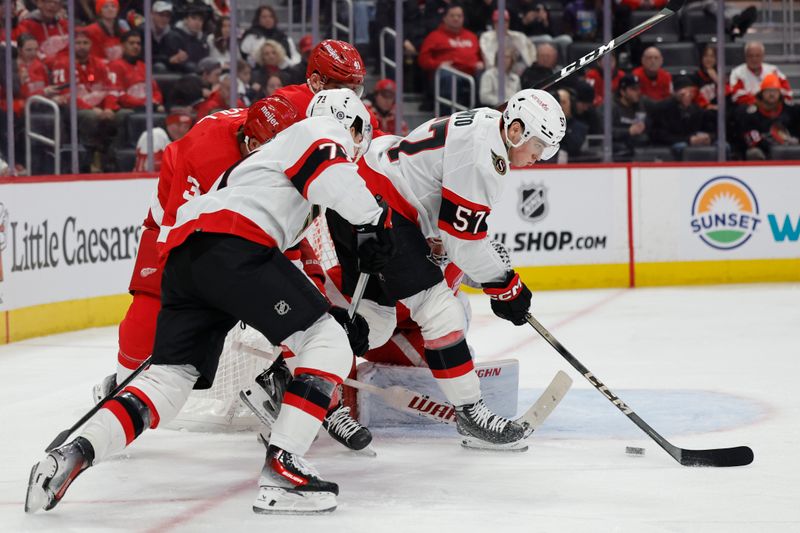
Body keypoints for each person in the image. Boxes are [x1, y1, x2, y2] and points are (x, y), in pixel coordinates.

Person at [25, 91, 391, 515]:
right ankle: (283, 472)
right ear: (353, 123)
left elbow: (277, 249)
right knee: (329, 342)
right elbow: (337, 180)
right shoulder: (322, 129)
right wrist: (373, 220)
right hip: (235, 248)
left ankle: (72, 454)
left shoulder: (262, 161)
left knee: (169, 379)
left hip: (187, 259)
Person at [331, 89, 567, 450]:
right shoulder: (486, 157)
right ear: (516, 130)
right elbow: (465, 245)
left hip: (360, 191)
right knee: (441, 311)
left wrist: (491, 277)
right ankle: (472, 415)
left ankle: (292, 372)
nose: (541, 157)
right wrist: (506, 285)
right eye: (539, 147)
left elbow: (452, 230)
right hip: (383, 207)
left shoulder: (488, 124)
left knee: (373, 325)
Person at [50, 30, 119, 172]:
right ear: (71, 45)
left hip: (100, 109)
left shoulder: (100, 64)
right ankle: (88, 161)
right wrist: (92, 109)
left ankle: (112, 160)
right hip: (72, 109)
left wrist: (108, 108)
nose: (81, 46)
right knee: (90, 117)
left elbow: (111, 90)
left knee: (123, 115)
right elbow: (66, 95)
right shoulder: (62, 64)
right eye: (78, 43)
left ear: (91, 45)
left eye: (85, 43)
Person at [418, 4, 483, 110]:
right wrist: (438, 65)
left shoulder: (472, 36)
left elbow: (480, 56)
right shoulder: (434, 36)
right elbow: (423, 60)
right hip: (448, 74)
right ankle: (448, 114)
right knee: (448, 76)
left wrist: (480, 62)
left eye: (459, 16)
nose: (456, 18)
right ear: (444, 18)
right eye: (452, 16)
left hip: (471, 74)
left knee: (486, 75)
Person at [649, 75, 715, 160]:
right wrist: (688, 140)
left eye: (690, 92)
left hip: (691, 143)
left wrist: (708, 137)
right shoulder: (663, 108)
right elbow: (658, 135)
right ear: (676, 93)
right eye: (683, 93)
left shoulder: (696, 109)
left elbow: (710, 128)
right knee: (681, 147)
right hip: (670, 144)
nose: (688, 95)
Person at [735, 73, 800, 160]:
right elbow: (751, 138)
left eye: (775, 91)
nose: (772, 94)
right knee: (753, 153)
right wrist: (771, 145)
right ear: (761, 93)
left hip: (792, 148)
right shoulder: (751, 113)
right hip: (765, 152)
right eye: (768, 91)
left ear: (780, 93)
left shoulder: (792, 109)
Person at [108, 31, 165, 111]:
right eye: (131, 43)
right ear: (123, 46)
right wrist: (144, 103)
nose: (136, 46)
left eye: (138, 43)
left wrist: (154, 101)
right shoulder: (115, 65)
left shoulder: (144, 66)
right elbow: (120, 94)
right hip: (129, 107)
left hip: (147, 105)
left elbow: (155, 91)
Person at [730, 41, 792, 106]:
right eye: (750, 56)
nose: (754, 59)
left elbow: (787, 93)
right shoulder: (737, 73)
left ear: (763, 56)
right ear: (745, 57)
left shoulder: (773, 70)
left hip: (773, 108)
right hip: (749, 109)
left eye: (758, 55)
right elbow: (736, 96)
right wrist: (760, 103)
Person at [479, 9, 537, 75]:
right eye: (498, 22)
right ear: (494, 23)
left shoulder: (519, 36)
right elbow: (489, 61)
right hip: (496, 72)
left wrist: (531, 67)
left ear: (508, 23)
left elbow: (531, 54)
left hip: (517, 70)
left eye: (505, 22)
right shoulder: (486, 38)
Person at [16, 0, 69, 67]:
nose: (52, 5)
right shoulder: (26, 25)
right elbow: (27, 53)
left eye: (57, 3)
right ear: (39, 3)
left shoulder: (65, 25)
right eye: (48, 1)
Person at [612, 73, 649, 160]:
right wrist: (628, 131)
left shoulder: (640, 105)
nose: (638, 92)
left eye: (638, 88)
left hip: (638, 147)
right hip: (617, 151)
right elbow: (606, 132)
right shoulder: (612, 107)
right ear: (622, 91)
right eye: (633, 89)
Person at [150, 1, 189, 73]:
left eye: (167, 16)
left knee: (190, 67)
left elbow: (182, 54)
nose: (164, 19)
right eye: (161, 15)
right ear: (152, 14)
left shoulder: (175, 35)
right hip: (149, 68)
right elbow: (142, 57)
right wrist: (168, 60)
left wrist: (181, 57)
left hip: (170, 66)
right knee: (160, 67)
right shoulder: (143, 32)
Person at [173, 4, 209, 73]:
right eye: (194, 18)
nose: (197, 23)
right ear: (185, 20)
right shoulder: (175, 36)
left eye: (200, 20)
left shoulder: (203, 40)